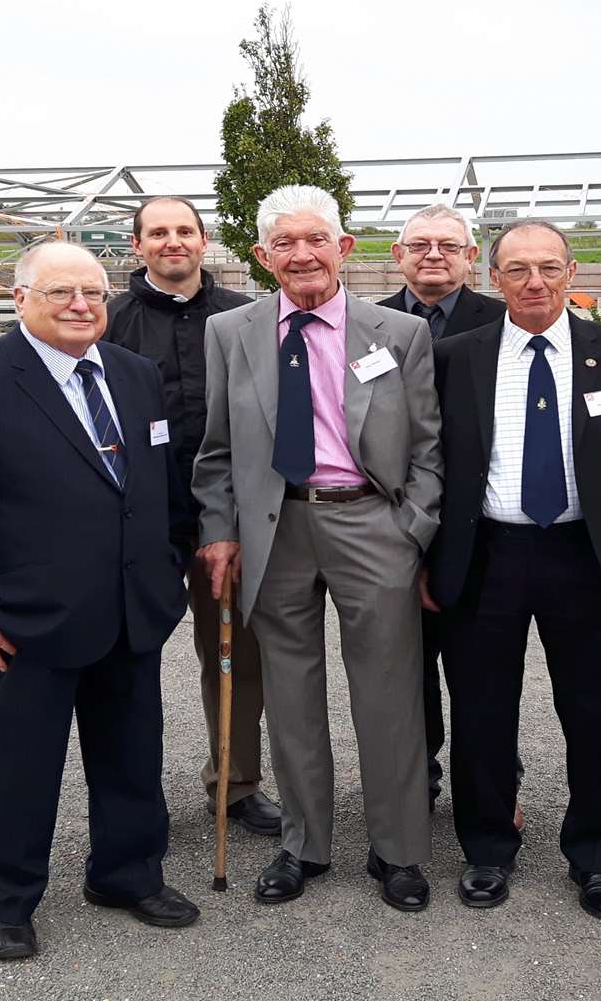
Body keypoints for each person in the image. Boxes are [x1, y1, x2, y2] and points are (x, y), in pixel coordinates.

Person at [0, 241, 199, 961]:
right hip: (21, 622)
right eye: (61, 292)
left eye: (93, 293)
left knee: (132, 753)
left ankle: (126, 874)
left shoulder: (132, 375)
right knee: (17, 766)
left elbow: (155, 486)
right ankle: (6, 899)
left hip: (129, 611)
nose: (80, 306)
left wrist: (164, 569)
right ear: (20, 299)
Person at [192, 184, 443, 912]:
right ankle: (304, 844)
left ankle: (398, 851)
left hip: (372, 526)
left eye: (315, 240)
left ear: (343, 248)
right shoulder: (232, 333)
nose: (302, 255)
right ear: (263, 256)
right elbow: (214, 451)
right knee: (293, 698)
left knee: (390, 695)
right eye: (284, 244)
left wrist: (411, 529)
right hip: (277, 528)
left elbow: (429, 447)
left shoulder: (397, 334)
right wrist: (220, 532)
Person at [424, 220, 601, 920]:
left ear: (572, 273)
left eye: (548, 268)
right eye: (517, 269)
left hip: (587, 559)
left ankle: (599, 857)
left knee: (596, 713)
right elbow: (435, 464)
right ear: (493, 278)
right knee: (480, 711)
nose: (534, 281)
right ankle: (486, 848)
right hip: (486, 556)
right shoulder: (457, 356)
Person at [104, 196, 281, 837]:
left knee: (234, 654)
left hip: (226, 520)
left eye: (185, 230)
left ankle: (234, 786)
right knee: (128, 657)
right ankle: (132, 797)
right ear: (137, 245)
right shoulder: (108, 321)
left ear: (205, 242)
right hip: (139, 523)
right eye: (158, 232)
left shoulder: (247, 318)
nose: (172, 241)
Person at [375, 204, 507, 813]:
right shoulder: (365, 325)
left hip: (483, 521)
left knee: (481, 663)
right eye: (420, 244)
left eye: (449, 246)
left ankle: (494, 779)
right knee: (406, 660)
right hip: (392, 519)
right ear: (397, 256)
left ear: (472, 258)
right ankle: (417, 772)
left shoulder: (505, 322)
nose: (434, 255)